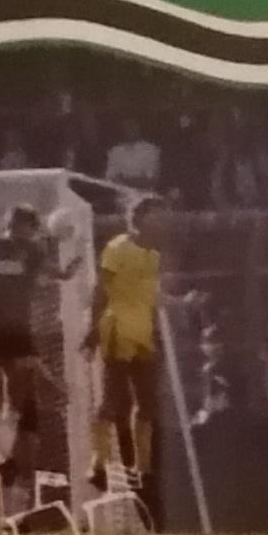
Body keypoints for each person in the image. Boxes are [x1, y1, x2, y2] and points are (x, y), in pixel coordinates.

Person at [0, 198, 68, 522]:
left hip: (17, 327)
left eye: (30, 228)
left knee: (17, 391)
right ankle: (4, 456)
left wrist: (64, 270)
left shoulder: (33, 252)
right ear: (11, 225)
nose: (24, 232)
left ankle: (8, 461)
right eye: (20, 226)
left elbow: (49, 272)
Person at [92, 195, 167, 509]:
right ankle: (98, 462)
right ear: (140, 218)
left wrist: (179, 305)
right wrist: (92, 328)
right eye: (157, 215)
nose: (162, 221)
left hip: (142, 332)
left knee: (148, 402)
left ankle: (143, 468)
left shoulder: (153, 255)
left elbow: (151, 297)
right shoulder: (118, 247)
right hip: (117, 328)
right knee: (112, 399)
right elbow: (101, 289)